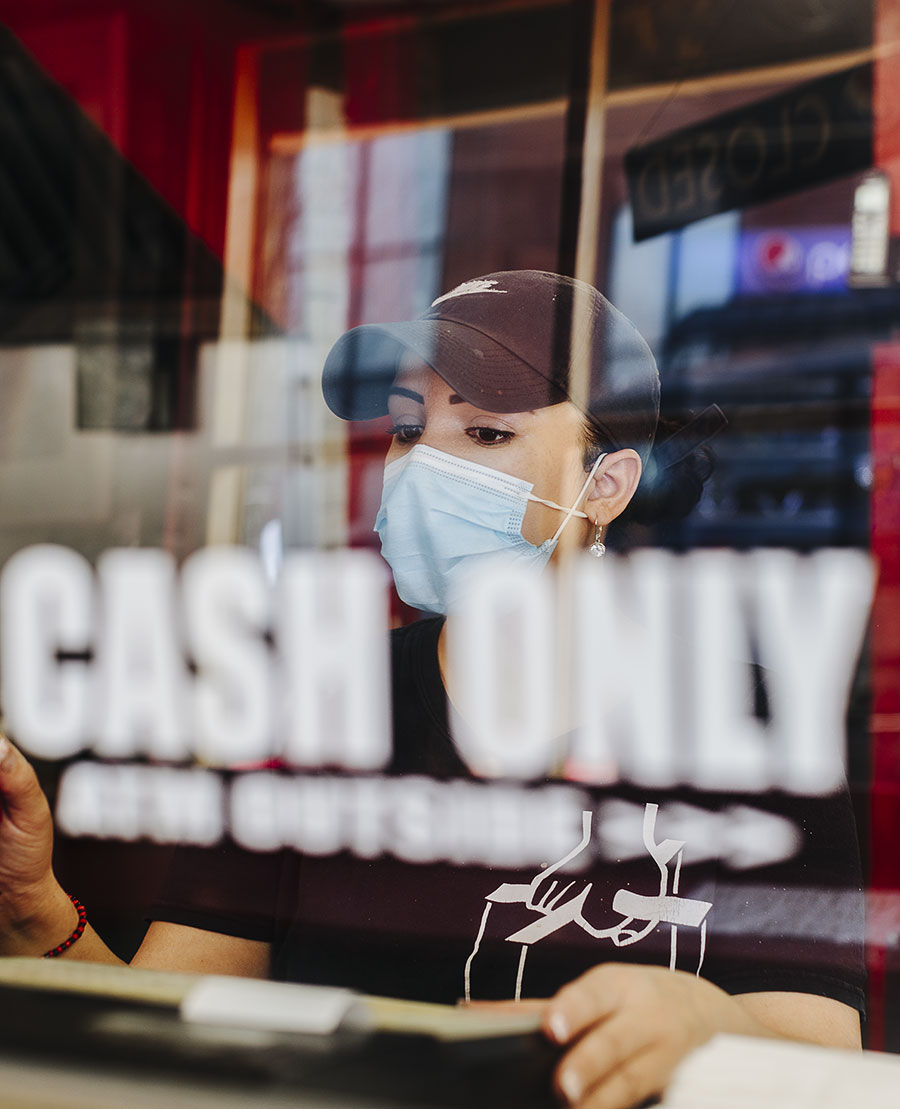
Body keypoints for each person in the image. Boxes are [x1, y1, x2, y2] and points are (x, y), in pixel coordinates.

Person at [0, 271, 865, 1109]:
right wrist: (37, 910)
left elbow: (825, 1073)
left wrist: (705, 1024)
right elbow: (164, 1058)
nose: (421, 468)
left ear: (605, 486)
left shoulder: (747, 730)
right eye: (409, 431)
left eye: (486, 434)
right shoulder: (316, 708)